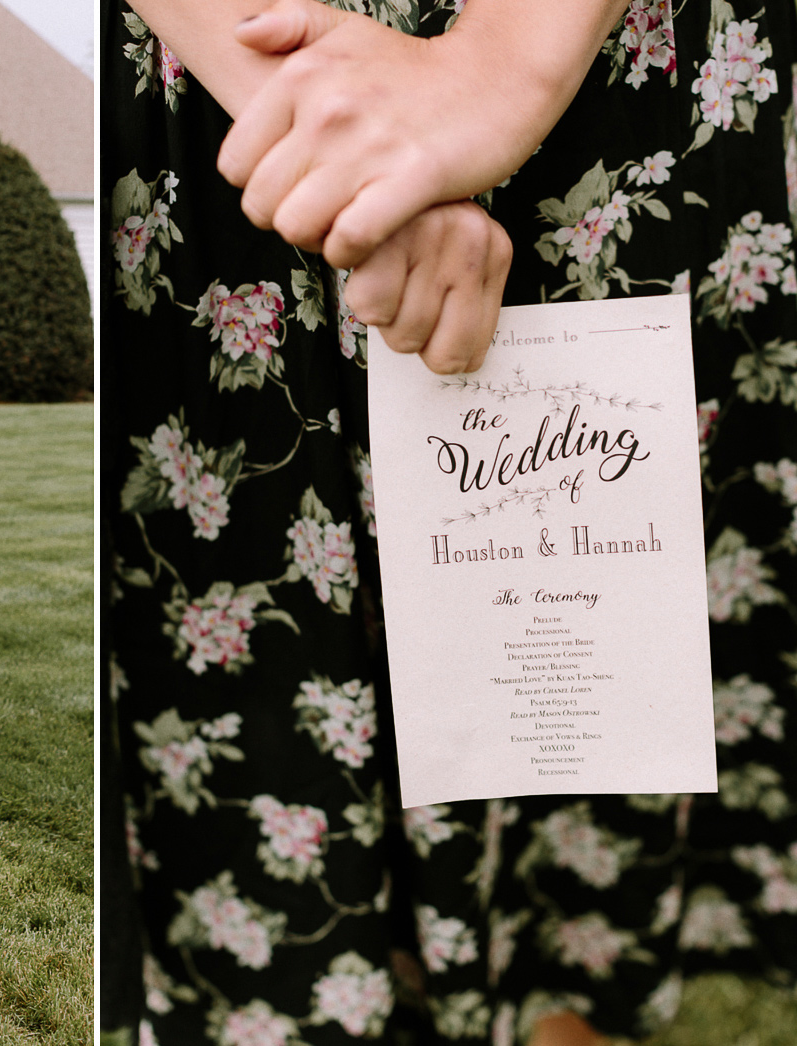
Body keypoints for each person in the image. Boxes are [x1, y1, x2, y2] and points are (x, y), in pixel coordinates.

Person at [102, 0, 797, 1044]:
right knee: (275, 791)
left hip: (597, 97)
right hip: (233, 128)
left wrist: (507, 63)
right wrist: (328, 143)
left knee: (572, 815)